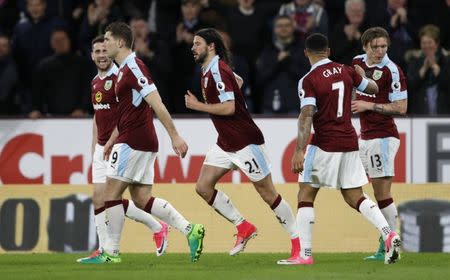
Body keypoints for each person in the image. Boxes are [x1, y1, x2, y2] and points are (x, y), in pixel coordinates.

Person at [79, 22, 204, 264]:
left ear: (121, 42)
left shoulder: (134, 68)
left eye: (108, 39)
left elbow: (157, 103)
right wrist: (109, 141)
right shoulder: (124, 69)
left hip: (133, 139)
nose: (104, 44)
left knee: (109, 194)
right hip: (137, 139)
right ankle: (190, 230)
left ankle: (111, 252)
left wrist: (175, 136)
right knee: (141, 198)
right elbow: (128, 109)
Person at [185, 28, 300, 265]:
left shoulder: (216, 70)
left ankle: (299, 244)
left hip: (245, 141)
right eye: (193, 44)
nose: (193, 48)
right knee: (203, 186)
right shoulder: (211, 69)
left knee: (268, 194)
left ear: (211, 46)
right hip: (226, 142)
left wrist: (198, 106)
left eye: (197, 44)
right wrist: (233, 84)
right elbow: (237, 80)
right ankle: (243, 226)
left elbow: (229, 108)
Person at [292, 33, 401, 265]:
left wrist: (299, 149)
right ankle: (389, 233)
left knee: (305, 193)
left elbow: (307, 115)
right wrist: (361, 76)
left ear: (306, 53)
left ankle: (305, 255)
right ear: (329, 51)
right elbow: (372, 89)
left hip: (324, 143)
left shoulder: (308, 79)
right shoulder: (346, 69)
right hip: (350, 141)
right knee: (355, 196)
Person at [76, 35, 169, 263]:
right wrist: (94, 147)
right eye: (96, 51)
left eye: (103, 51)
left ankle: (154, 226)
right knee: (99, 198)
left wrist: (110, 143)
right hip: (101, 147)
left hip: (119, 144)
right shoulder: (94, 82)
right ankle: (103, 248)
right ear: (92, 55)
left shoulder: (120, 77)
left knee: (110, 196)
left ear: (110, 51)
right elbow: (98, 118)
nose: (101, 55)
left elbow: (127, 116)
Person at [351, 27, 407, 261]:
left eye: (384, 47)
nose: (380, 51)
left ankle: (391, 246)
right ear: (365, 47)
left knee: (382, 194)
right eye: (376, 47)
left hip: (383, 137)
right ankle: (388, 241)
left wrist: (369, 106)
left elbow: (401, 108)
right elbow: (354, 91)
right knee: (366, 190)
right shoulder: (356, 63)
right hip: (365, 136)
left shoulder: (392, 70)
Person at [407, 24, 450, 115]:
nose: (427, 46)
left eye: (430, 42)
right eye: (424, 43)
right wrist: (424, 68)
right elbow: (410, 86)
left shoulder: (446, 60)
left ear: (437, 43)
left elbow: (447, 84)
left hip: (443, 111)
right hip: (420, 110)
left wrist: (435, 66)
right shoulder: (414, 61)